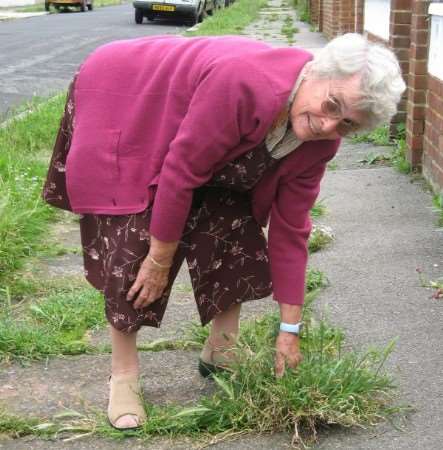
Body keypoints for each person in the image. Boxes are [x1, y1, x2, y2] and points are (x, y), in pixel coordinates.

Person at [43, 32, 405, 430]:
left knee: (237, 221)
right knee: (137, 238)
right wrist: (160, 260)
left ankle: (222, 348)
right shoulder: (243, 83)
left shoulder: (320, 145)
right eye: (332, 104)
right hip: (128, 95)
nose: (327, 124)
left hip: (197, 127)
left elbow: (291, 228)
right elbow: (180, 172)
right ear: (316, 72)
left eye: (347, 124)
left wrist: (289, 328)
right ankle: (124, 376)